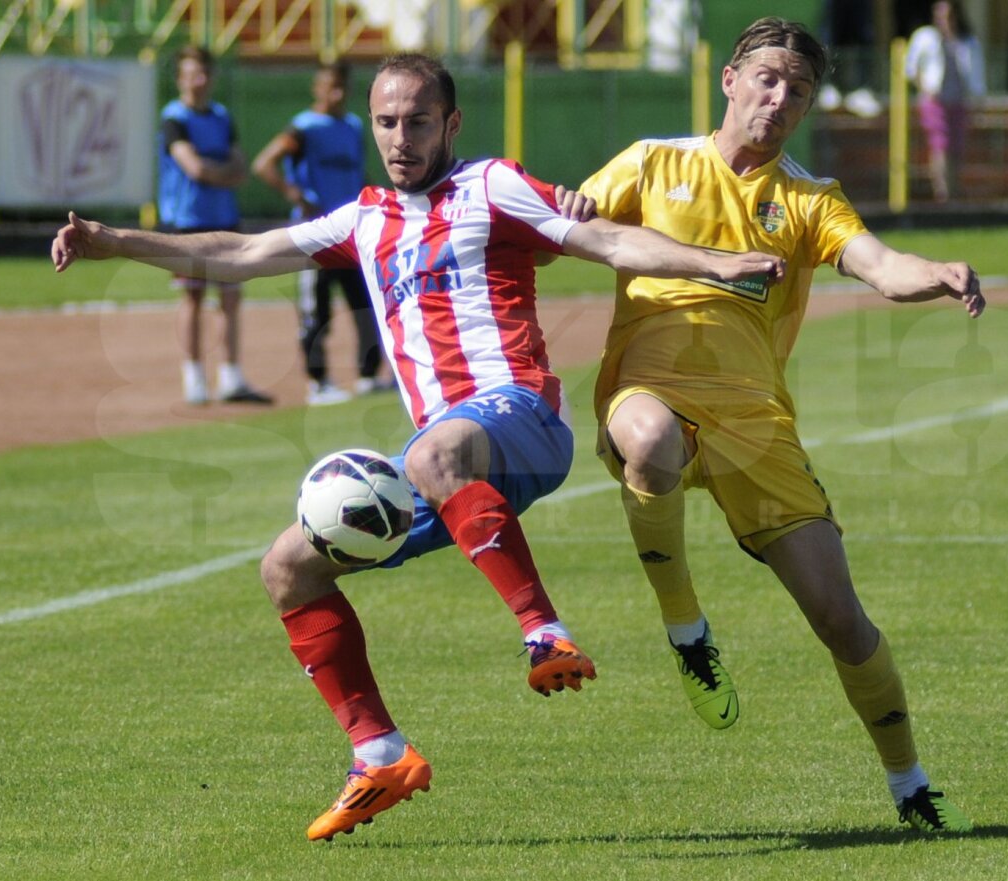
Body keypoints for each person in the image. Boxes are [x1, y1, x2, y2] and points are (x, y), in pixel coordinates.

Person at [52, 53, 780, 842]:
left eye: (418, 121)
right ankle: (381, 753)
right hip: (451, 464)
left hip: (523, 420)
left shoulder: (491, 186)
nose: (401, 138)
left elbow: (607, 241)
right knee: (287, 567)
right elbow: (239, 252)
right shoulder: (363, 219)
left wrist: (720, 265)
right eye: (387, 122)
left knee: (434, 453)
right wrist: (113, 240)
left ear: (452, 123)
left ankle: (544, 630)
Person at [563, 16, 982, 833]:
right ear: (730, 80)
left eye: (797, 88)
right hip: (652, 388)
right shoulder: (651, 163)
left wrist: (932, 271)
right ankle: (688, 630)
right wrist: (567, 209)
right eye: (767, 78)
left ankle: (912, 786)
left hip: (757, 424)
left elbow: (879, 265)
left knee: (842, 620)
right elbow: (562, 230)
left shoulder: (809, 199)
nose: (779, 97)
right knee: (648, 439)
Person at [251, 60, 395, 406]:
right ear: (317, 88)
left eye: (343, 86)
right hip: (315, 235)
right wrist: (295, 194)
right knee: (317, 310)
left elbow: (359, 172)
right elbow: (264, 164)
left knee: (366, 304)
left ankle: (368, 375)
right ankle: (318, 382)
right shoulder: (304, 127)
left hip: (352, 234)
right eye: (331, 86)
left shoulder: (352, 126)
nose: (338, 93)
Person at [158, 45, 272, 405]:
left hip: (224, 218)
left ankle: (231, 376)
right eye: (193, 74)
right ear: (180, 78)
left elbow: (239, 165)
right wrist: (222, 173)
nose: (200, 81)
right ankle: (193, 376)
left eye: (205, 73)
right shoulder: (174, 118)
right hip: (188, 219)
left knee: (231, 296)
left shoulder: (222, 116)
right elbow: (194, 168)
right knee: (193, 296)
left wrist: (216, 173)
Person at [905, 1, 985, 203]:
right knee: (940, 144)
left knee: (956, 147)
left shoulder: (967, 41)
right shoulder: (926, 37)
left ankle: (954, 190)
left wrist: (978, 99)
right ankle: (943, 193)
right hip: (936, 101)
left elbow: (976, 74)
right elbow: (911, 68)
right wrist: (926, 89)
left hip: (959, 100)